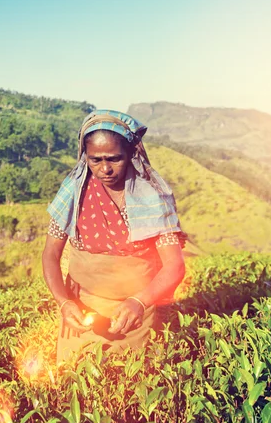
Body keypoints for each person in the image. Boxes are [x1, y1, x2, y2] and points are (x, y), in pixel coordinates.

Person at [42, 110, 186, 362]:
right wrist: (64, 303)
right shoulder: (74, 194)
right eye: (95, 159)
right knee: (74, 383)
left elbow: (174, 266)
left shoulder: (152, 197)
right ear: (84, 156)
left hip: (136, 314)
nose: (104, 169)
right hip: (81, 310)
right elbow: (50, 255)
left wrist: (140, 302)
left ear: (131, 153)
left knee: (132, 386)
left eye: (114, 159)